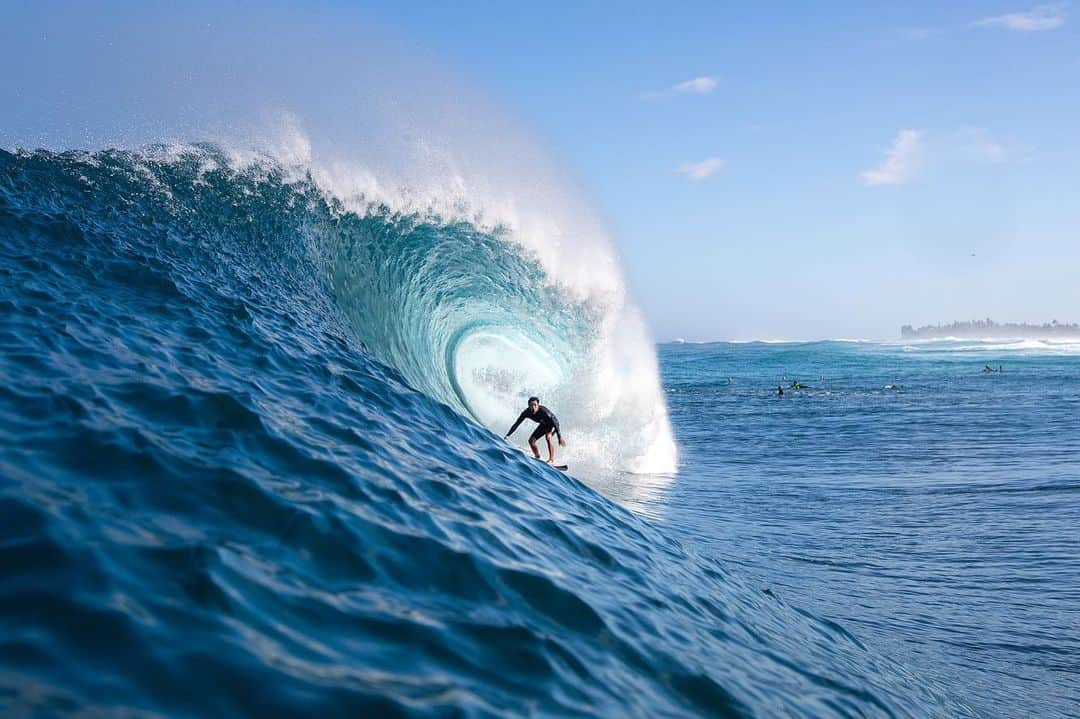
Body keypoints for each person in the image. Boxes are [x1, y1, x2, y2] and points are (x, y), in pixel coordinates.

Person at [504, 396, 565, 464]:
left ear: (538, 405)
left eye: (535, 405)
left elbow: (555, 422)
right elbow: (516, 424)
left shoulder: (544, 412)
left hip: (551, 424)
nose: (533, 407)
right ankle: (537, 456)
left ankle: (551, 460)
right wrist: (508, 435)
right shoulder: (526, 413)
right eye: (531, 405)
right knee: (531, 441)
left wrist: (559, 437)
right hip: (543, 424)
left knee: (548, 437)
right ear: (528, 406)